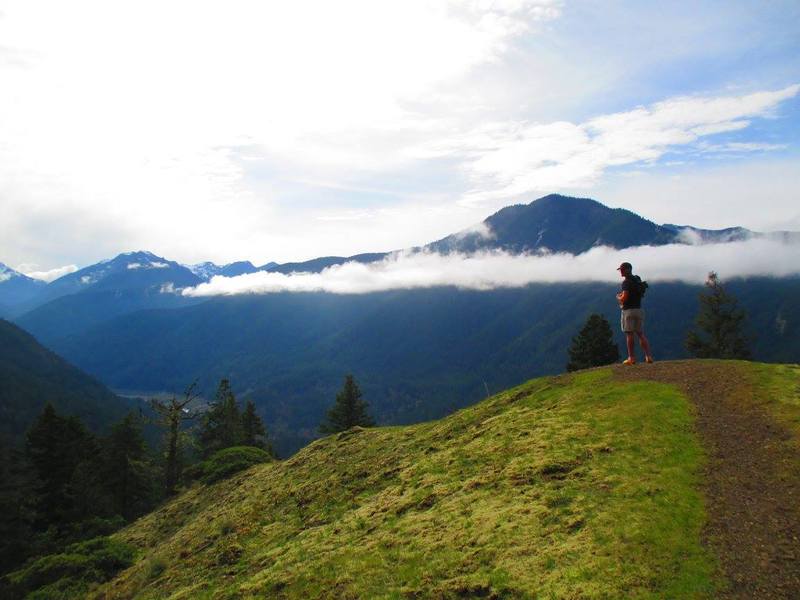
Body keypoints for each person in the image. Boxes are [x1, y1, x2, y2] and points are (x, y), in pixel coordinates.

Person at [615, 262, 653, 365]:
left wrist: (619, 297)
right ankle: (648, 356)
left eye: (622, 270)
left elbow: (625, 297)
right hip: (638, 309)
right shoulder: (637, 279)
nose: (621, 272)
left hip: (628, 311)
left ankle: (631, 358)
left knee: (629, 334)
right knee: (640, 334)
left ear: (627, 270)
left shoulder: (626, 282)